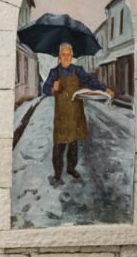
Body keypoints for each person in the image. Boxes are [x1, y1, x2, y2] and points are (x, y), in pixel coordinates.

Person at [39, 42, 111, 187]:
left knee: (73, 144)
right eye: (63, 54)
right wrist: (52, 88)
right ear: (59, 56)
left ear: (72, 56)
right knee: (59, 146)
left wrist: (104, 88)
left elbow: (90, 81)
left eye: (68, 54)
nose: (66, 57)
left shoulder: (78, 70)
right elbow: (45, 89)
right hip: (61, 116)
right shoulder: (54, 72)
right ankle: (57, 174)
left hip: (75, 113)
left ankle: (71, 168)